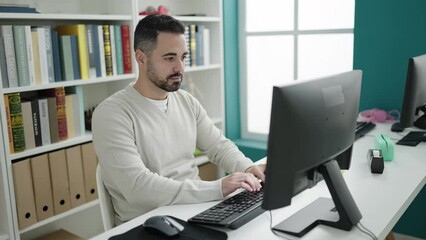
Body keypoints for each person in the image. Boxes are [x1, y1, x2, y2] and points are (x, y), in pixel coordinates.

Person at [92, 14, 265, 225]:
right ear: (141, 58)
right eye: (169, 58)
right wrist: (217, 188)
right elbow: (137, 187)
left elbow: (218, 146)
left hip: (195, 212)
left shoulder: (185, 100)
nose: (180, 68)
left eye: (183, 57)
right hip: (148, 224)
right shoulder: (111, 114)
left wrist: (247, 169)